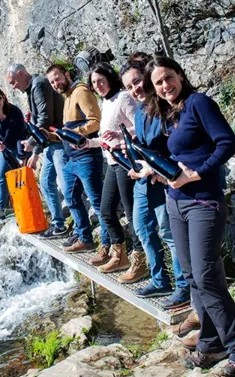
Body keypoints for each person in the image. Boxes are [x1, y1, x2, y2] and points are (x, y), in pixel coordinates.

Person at [141, 56, 235, 377]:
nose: (165, 86)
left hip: (204, 201)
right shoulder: (169, 113)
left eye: (168, 78)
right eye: (158, 83)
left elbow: (228, 143)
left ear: (180, 74)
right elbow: (177, 154)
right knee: (192, 276)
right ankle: (210, 343)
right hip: (176, 203)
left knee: (206, 276)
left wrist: (196, 173)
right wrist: (158, 169)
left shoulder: (198, 103)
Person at [119, 60, 190, 308]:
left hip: (164, 179)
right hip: (143, 180)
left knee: (169, 234)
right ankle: (159, 279)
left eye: (137, 82)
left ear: (147, 79)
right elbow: (143, 144)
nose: (135, 89)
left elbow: (175, 145)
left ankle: (184, 287)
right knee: (142, 230)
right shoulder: (139, 111)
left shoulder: (164, 107)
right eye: (129, 86)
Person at [75, 62, 146, 272]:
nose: (97, 85)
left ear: (110, 78)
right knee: (106, 210)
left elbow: (140, 126)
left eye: (101, 80)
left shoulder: (124, 97)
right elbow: (105, 137)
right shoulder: (106, 102)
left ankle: (140, 260)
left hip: (126, 162)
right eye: (94, 82)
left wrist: (121, 135)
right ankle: (119, 255)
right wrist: (88, 143)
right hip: (113, 163)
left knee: (132, 214)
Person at [45, 64, 109, 255]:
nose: (56, 83)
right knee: (71, 197)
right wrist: (52, 136)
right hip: (73, 160)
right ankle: (85, 239)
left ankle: (108, 246)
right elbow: (69, 132)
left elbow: (95, 121)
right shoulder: (68, 96)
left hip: (87, 157)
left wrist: (75, 133)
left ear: (67, 74)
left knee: (97, 203)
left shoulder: (81, 91)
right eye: (52, 82)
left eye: (57, 78)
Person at [6, 63, 68, 238]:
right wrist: (35, 152)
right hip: (49, 142)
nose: (13, 86)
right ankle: (59, 225)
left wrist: (32, 144)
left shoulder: (39, 84)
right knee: (46, 182)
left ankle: (79, 230)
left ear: (20, 73)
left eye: (13, 82)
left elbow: (45, 118)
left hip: (58, 140)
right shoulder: (32, 88)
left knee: (65, 185)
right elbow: (39, 122)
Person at [0, 86, 27, 221]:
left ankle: (25, 208)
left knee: (22, 180)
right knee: (1, 178)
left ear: (3, 98)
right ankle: (0, 209)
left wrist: (21, 156)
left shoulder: (14, 112)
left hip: (20, 146)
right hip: (5, 148)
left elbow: (21, 134)